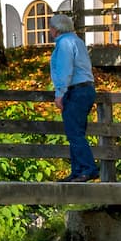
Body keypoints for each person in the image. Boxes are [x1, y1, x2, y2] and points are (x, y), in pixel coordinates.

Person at [49, 12, 98, 183]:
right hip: (87, 89)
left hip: (75, 90)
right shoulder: (77, 41)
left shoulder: (64, 44)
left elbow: (65, 70)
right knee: (77, 132)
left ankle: (87, 169)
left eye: (51, 27)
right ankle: (77, 171)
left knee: (74, 133)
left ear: (56, 29)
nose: (50, 30)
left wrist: (60, 94)